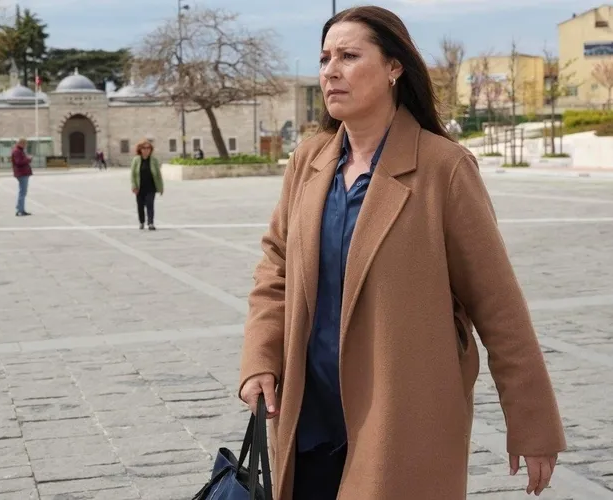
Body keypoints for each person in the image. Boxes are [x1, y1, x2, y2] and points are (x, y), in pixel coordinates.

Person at [238, 6, 565, 500]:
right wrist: (260, 357)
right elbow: (276, 269)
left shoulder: (444, 168)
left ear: (394, 67)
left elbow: (498, 305)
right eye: (325, 58)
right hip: (308, 418)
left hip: (402, 422)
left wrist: (533, 423)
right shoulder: (309, 160)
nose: (330, 71)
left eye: (349, 56)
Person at [130, 139, 163, 230]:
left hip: (151, 187)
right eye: (144, 148)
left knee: (150, 205)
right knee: (140, 206)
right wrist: (134, 186)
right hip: (139, 187)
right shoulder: (136, 160)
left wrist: (161, 187)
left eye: (148, 148)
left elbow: (158, 175)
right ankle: (142, 221)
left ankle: (150, 223)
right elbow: (133, 174)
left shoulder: (154, 160)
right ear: (140, 149)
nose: (146, 150)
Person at [11, 138, 32, 216]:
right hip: (22, 173)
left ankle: (20, 208)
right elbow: (18, 162)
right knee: (22, 192)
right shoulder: (17, 151)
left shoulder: (20, 151)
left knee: (23, 191)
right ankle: (20, 210)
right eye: (25, 144)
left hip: (23, 173)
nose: (26, 145)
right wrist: (28, 159)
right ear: (21, 143)